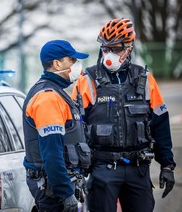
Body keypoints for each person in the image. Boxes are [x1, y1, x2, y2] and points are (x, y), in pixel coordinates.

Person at [72, 18, 176, 212]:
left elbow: (160, 124)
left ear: (128, 49)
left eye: (116, 49)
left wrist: (167, 166)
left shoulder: (145, 80)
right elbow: (75, 128)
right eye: (105, 48)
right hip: (102, 169)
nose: (109, 54)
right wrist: (77, 172)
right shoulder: (87, 80)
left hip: (138, 169)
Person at [23, 40, 90, 212]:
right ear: (57, 63)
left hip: (58, 186)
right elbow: (51, 152)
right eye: (72, 60)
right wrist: (64, 192)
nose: (76, 65)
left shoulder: (56, 92)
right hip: (53, 192)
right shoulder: (48, 98)